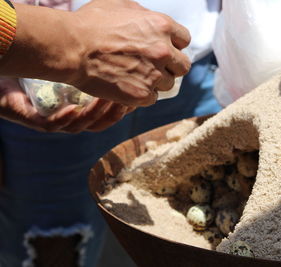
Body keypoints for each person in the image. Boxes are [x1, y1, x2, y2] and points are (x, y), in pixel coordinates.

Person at [0, 1, 221, 267]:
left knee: (199, 227)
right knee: (54, 243)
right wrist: (67, 43)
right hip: (41, 74)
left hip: (194, 62)